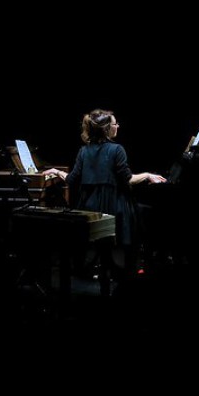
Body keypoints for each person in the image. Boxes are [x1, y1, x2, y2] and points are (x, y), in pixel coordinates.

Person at [44, 109, 166, 289]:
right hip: (113, 207)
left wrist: (56, 171)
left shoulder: (83, 151)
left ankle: (105, 264)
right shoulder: (117, 149)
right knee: (140, 217)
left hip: (89, 209)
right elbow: (128, 179)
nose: (118, 126)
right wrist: (147, 175)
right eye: (115, 124)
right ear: (107, 128)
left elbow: (71, 179)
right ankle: (130, 270)